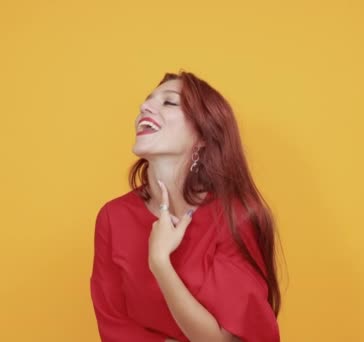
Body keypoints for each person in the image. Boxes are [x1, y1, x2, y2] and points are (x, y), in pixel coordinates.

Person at [90, 71, 282, 341]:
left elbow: (226, 339)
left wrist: (160, 263)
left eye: (169, 102)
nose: (145, 107)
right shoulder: (113, 217)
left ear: (204, 135)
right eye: (146, 102)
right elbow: (114, 325)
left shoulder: (235, 217)